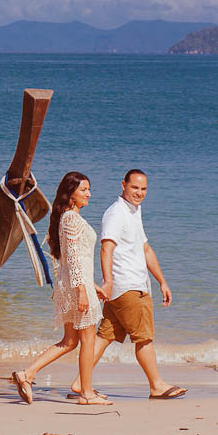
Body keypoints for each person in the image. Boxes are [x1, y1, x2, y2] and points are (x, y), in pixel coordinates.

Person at [69, 169, 186, 400]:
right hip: (128, 287)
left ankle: (80, 383)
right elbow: (106, 248)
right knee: (144, 338)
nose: (139, 193)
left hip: (122, 289)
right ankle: (156, 385)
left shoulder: (133, 211)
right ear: (123, 185)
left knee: (104, 336)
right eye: (134, 188)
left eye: (143, 189)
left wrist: (162, 281)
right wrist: (108, 282)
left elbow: (145, 249)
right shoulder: (117, 213)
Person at [12, 172, 111, 405]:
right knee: (87, 339)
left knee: (70, 341)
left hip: (75, 284)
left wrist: (91, 285)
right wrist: (82, 290)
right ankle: (86, 393)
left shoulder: (67, 218)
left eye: (88, 189)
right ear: (70, 194)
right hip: (77, 286)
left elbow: (69, 259)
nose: (89, 193)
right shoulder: (71, 219)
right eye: (83, 189)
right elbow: (73, 258)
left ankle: (27, 374)